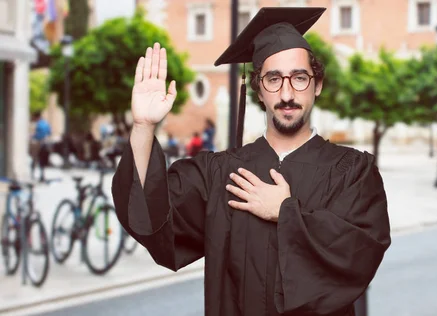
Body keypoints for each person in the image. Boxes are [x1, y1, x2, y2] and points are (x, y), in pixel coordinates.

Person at [112, 7, 391, 316]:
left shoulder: (353, 173)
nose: (287, 93)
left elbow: (359, 254)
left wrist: (285, 213)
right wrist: (143, 127)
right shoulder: (219, 174)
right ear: (258, 89)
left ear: (318, 84)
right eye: (273, 79)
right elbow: (149, 214)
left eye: (299, 78)